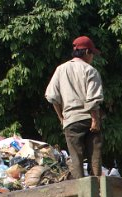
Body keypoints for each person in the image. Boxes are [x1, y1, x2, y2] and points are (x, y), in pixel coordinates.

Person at [45, 36, 104, 180]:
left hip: (71, 121)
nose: (92, 58)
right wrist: (95, 120)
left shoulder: (60, 69)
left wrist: (61, 117)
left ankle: (81, 190)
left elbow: (52, 96)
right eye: (92, 54)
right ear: (86, 52)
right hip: (89, 119)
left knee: (76, 159)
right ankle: (98, 189)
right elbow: (93, 98)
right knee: (95, 156)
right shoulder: (90, 70)